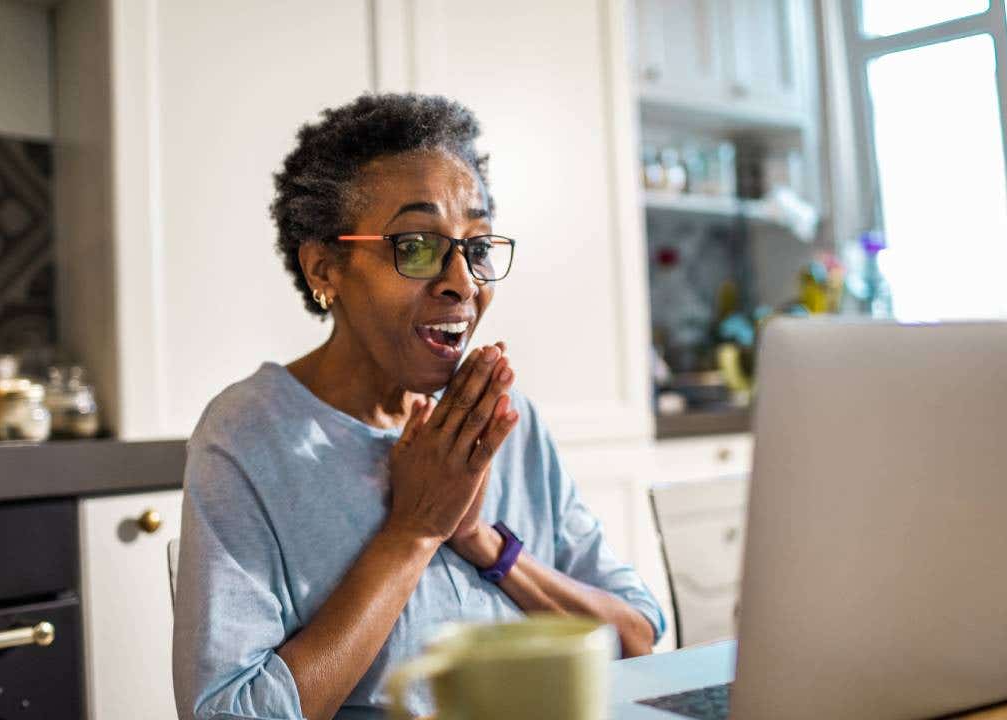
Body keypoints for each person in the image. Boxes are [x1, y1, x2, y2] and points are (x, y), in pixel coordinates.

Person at [173, 93, 665, 720]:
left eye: (477, 247)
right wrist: (415, 531)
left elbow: (637, 639)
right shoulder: (249, 436)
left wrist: (481, 541)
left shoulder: (505, 421)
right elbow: (229, 713)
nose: (462, 281)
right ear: (325, 268)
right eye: (416, 245)